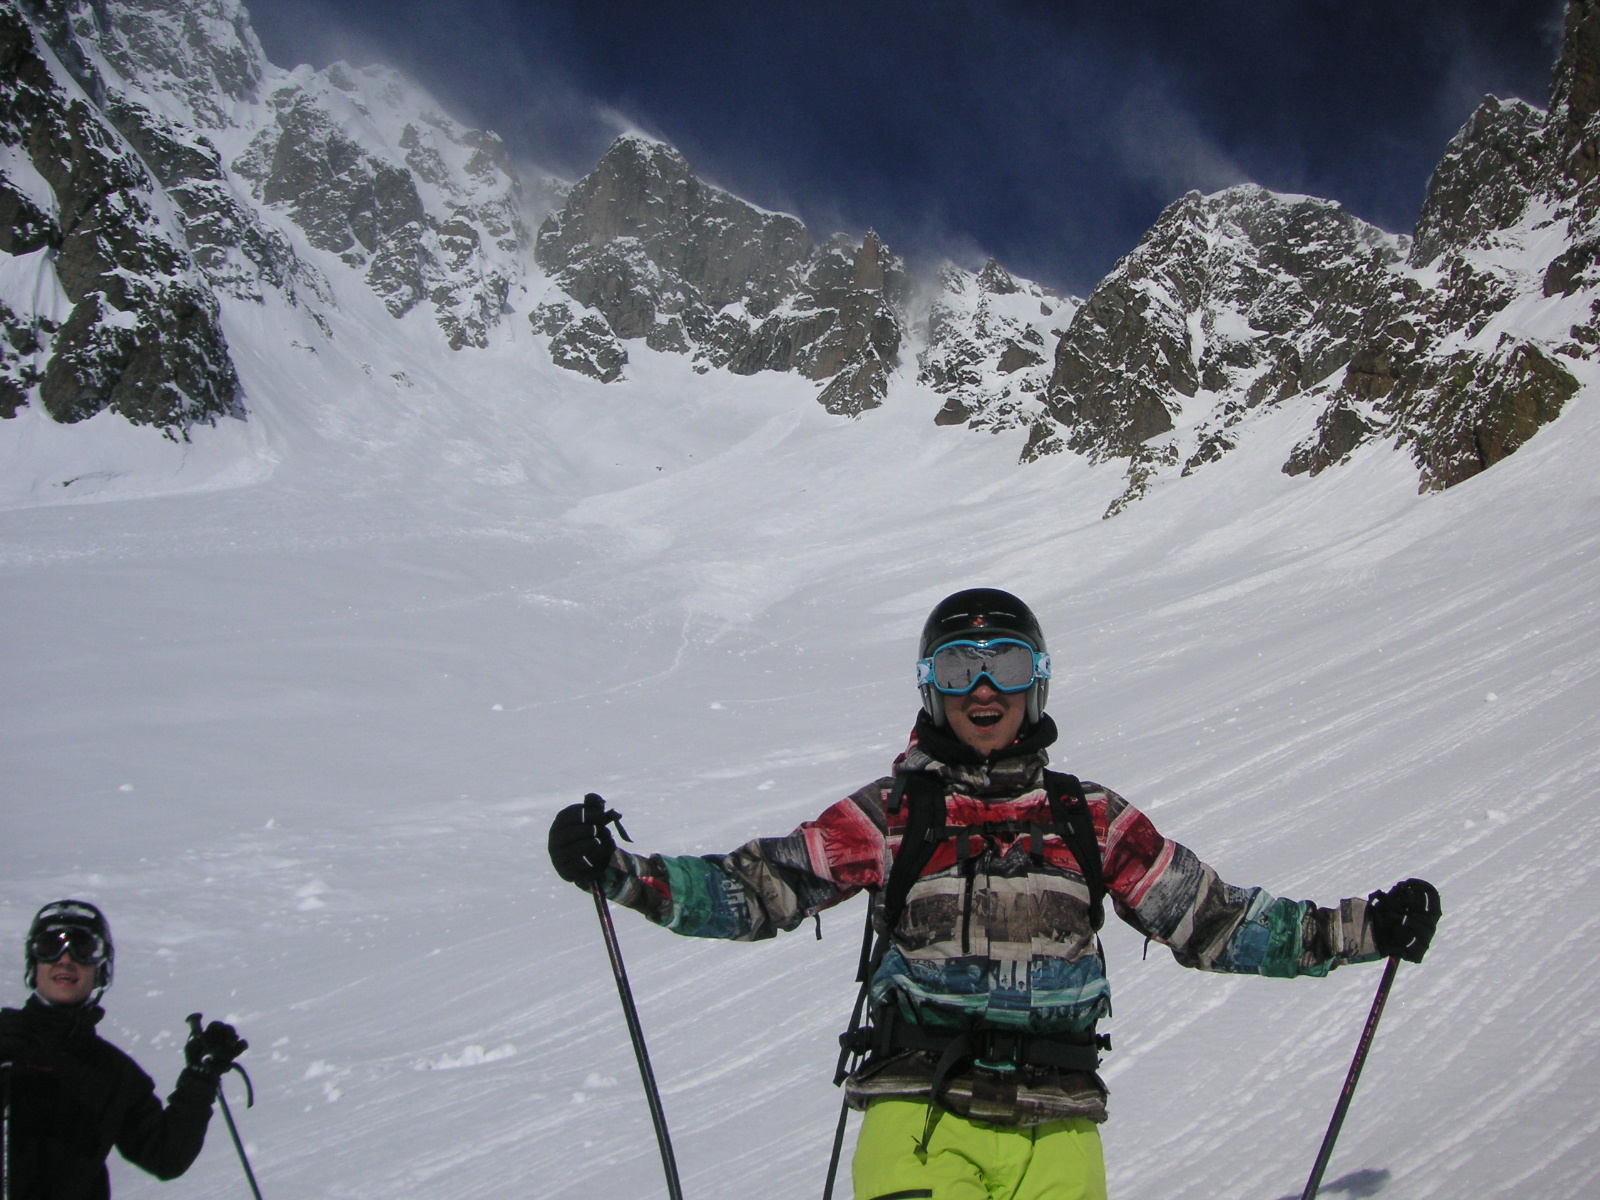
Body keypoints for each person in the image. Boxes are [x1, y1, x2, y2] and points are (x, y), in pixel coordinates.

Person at [548, 588, 1442, 1200]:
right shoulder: (894, 814)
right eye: (957, 667)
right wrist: (622, 873)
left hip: (1059, 1124)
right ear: (929, 687)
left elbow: (1211, 921)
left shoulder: (1090, 818)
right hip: (917, 1113)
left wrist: (1361, 929)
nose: (983, 688)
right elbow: (761, 889)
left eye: (1006, 664)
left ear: (1037, 682)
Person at [0, 900, 248, 1200]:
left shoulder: (111, 1072)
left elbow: (165, 1157)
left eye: (83, 948)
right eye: (50, 946)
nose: (65, 959)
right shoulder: (6, 1042)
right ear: (34, 962)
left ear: (101, 970)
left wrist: (200, 1080)